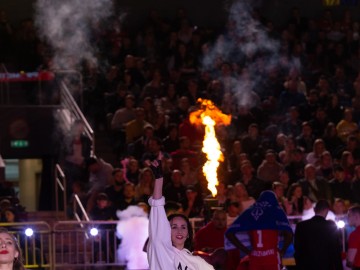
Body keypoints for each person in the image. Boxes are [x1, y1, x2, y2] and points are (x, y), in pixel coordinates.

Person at [147, 160, 214, 270]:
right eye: (174, 227)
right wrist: (159, 179)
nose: (179, 231)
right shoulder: (159, 250)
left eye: (183, 227)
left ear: (188, 234)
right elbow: (157, 207)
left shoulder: (196, 262)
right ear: (166, 230)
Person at [225, 190, 293, 270]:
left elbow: (229, 233)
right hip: (271, 258)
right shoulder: (276, 211)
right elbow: (289, 233)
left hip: (255, 258)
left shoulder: (250, 211)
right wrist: (283, 251)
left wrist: (246, 250)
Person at [294, 199, 343, 270]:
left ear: (314, 210)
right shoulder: (330, 226)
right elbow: (335, 250)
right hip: (325, 266)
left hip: (306, 266)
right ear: (326, 210)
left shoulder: (301, 226)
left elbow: (297, 249)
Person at [347, 205, 360, 269]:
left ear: (356, 217)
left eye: (349, 215)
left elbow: (350, 261)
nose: (347, 218)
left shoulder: (354, 235)